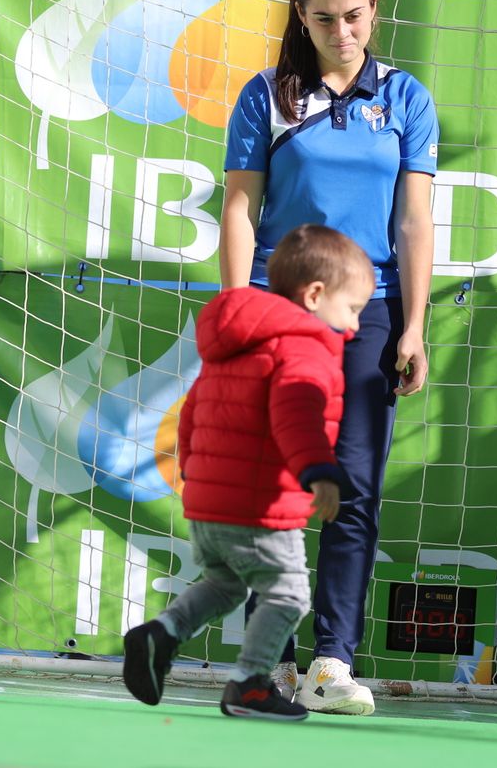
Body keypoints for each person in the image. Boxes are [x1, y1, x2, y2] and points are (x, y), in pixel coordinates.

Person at [218, 0, 438, 715]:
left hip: (367, 312)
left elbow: (414, 222)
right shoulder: (266, 96)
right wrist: (238, 308)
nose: (341, 32)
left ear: (374, 9)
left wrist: (412, 325)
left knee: (354, 484)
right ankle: (262, 669)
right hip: (277, 312)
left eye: (353, 16)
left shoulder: (406, 98)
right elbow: (241, 208)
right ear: (302, 21)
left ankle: (332, 662)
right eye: (323, 19)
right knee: (272, 489)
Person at [122, 224, 374, 721]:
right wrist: (320, 471)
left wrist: (194, 470)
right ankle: (251, 682)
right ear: (315, 295)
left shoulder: (235, 339)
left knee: (224, 585)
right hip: (259, 504)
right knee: (289, 593)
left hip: (209, 504)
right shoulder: (303, 345)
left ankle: (161, 634)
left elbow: (192, 411)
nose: (357, 327)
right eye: (352, 309)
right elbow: (297, 414)